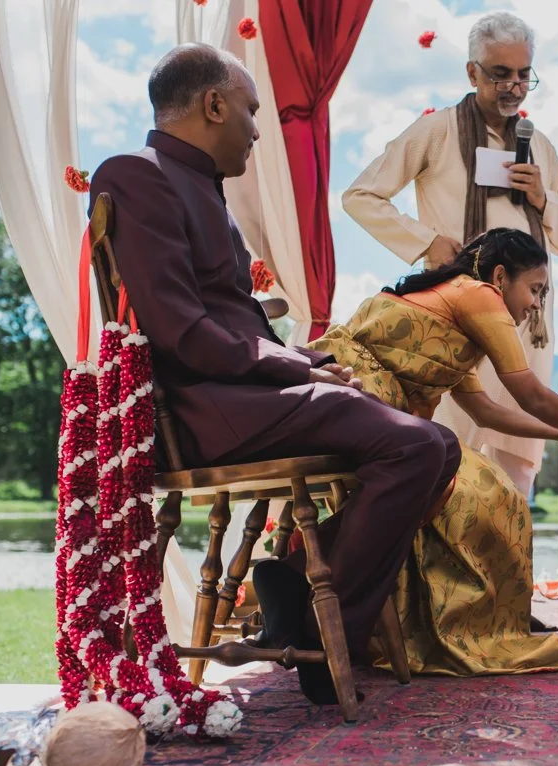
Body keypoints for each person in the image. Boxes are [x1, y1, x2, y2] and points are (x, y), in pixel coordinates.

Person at [88, 44, 461, 705]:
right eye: (251, 112)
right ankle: (324, 628)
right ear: (213, 104)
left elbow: (227, 317)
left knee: (440, 444)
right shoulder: (137, 174)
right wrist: (299, 364)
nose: (258, 130)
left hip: (244, 393)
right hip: (206, 407)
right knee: (414, 444)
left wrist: (314, 362)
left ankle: (298, 588)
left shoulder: (200, 185)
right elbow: (182, 332)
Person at [309, 228, 558, 676]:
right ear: (500, 277)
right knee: (474, 492)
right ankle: (448, 624)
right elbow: (528, 391)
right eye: (535, 290)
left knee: (497, 491)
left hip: (387, 420)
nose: (536, 304)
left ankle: (483, 619)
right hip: (354, 398)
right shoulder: (477, 295)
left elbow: (485, 411)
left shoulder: (456, 312)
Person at [343, 11, 558, 499]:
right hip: (455, 325)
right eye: (500, 74)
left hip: (527, 326)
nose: (513, 87)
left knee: (516, 472)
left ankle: (509, 576)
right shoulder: (436, 131)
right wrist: (426, 242)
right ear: (472, 72)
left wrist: (543, 198)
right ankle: (431, 575)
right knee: (446, 460)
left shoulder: (538, 146)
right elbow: (360, 196)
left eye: (523, 75)